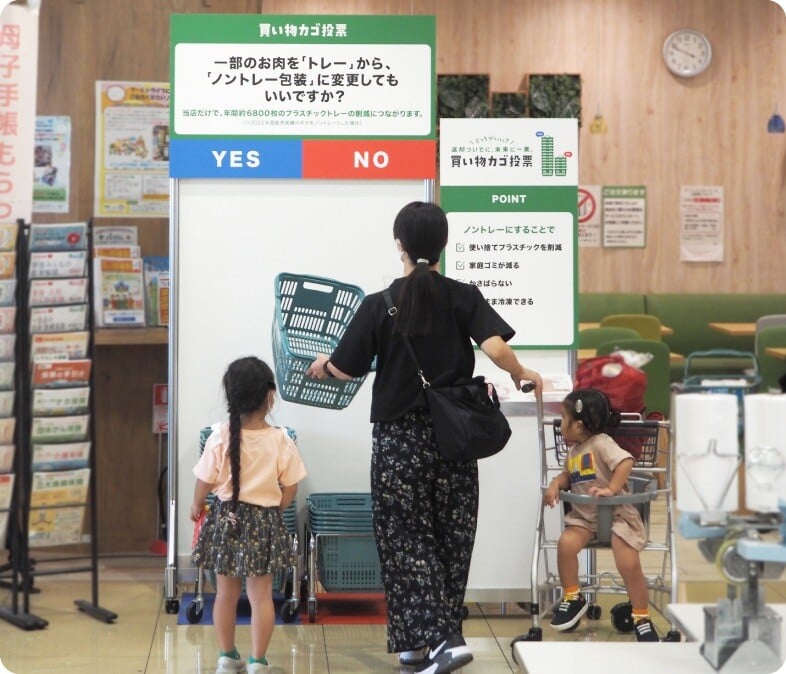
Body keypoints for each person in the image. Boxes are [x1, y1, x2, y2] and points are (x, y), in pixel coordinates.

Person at [305, 201, 543, 673]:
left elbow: (344, 367)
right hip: (455, 433)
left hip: (399, 439)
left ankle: (444, 640)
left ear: (400, 245)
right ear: (443, 246)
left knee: (404, 538)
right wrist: (522, 372)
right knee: (452, 535)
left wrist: (321, 368)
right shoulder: (463, 295)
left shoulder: (380, 304)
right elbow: (495, 347)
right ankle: (418, 643)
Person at [191, 356, 307, 674]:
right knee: (260, 597)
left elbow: (204, 480)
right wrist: (274, 511)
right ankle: (257, 661)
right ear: (270, 396)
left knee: (225, 594)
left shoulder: (219, 436)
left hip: (225, 519)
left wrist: (196, 505)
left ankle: (227, 657)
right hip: (264, 521)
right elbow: (291, 488)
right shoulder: (281, 439)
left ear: (231, 395)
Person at [544, 387, 659, 642]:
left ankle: (641, 616)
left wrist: (612, 488)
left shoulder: (601, 442)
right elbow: (567, 476)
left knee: (628, 562)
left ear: (579, 424)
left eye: (564, 418)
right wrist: (555, 484)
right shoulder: (575, 451)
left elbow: (625, 462)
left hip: (617, 515)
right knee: (566, 544)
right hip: (585, 518)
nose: (560, 423)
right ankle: (573, 596)